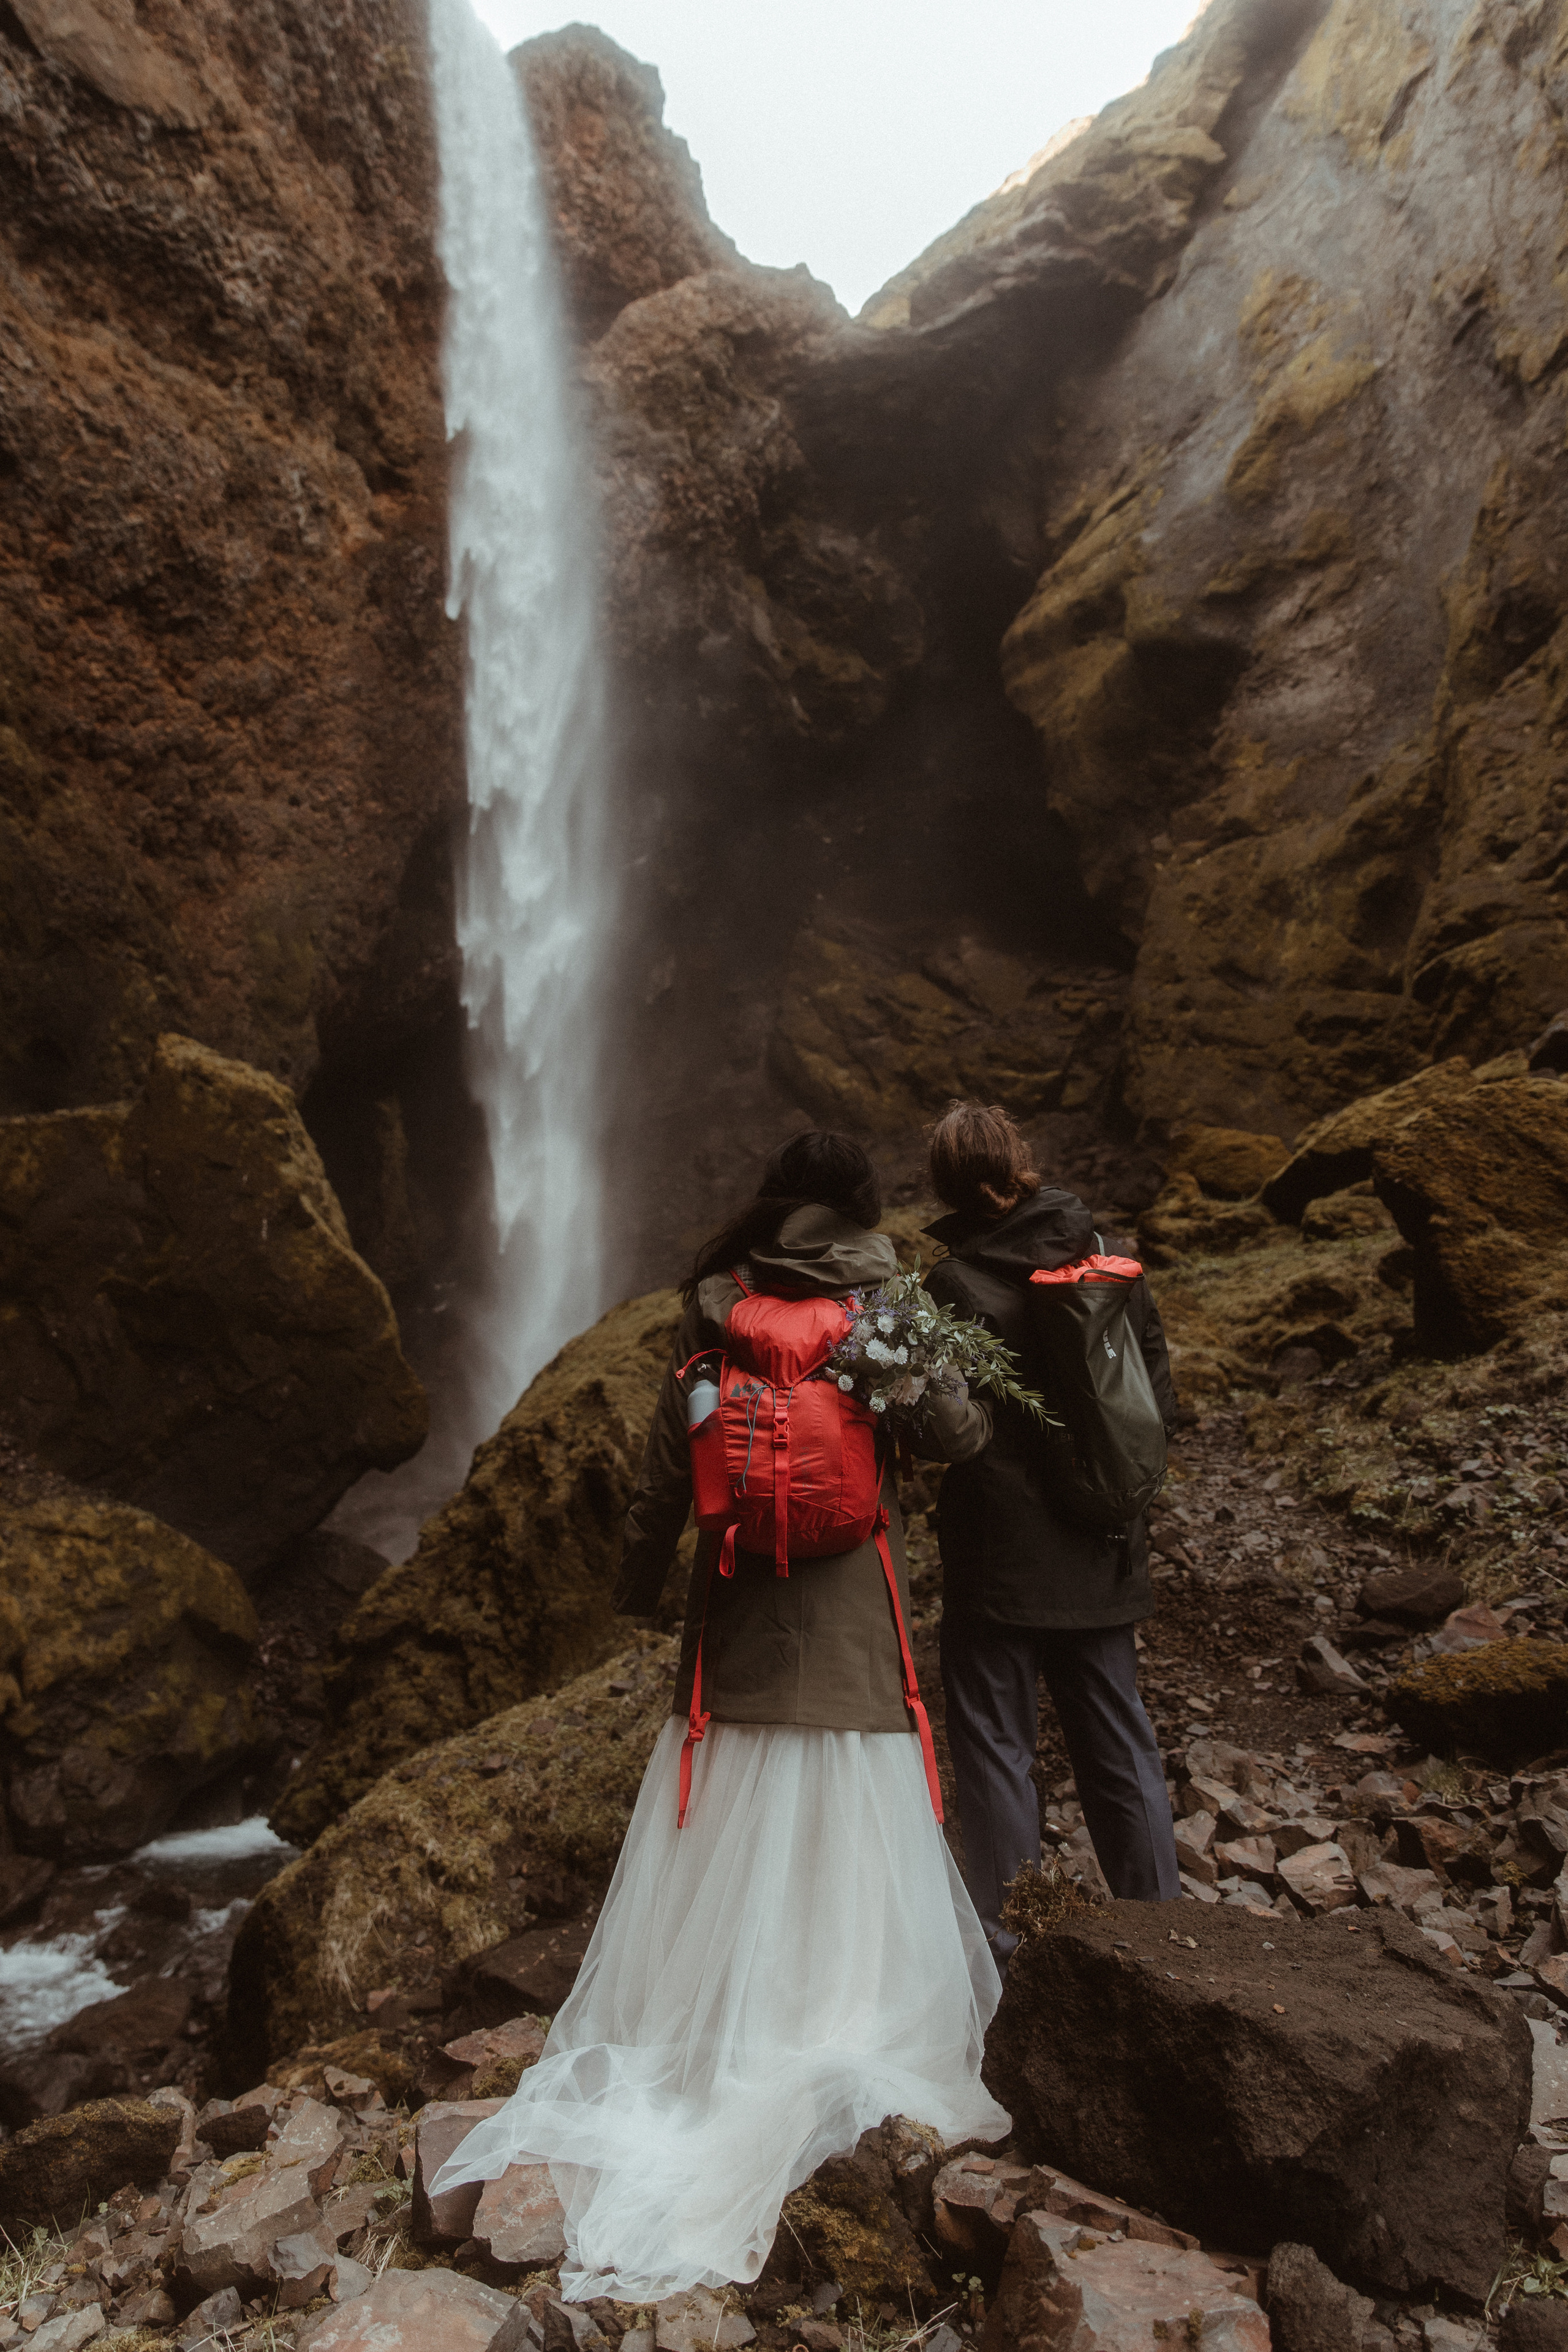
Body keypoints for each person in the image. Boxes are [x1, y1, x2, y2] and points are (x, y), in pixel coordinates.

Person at [432, 1130, 1009, 2301]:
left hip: (737, 1623)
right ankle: (837, 2030)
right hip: (852, 1627)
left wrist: (640, 1594)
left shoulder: (716, 1307)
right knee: (845, 1839)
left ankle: (720, 2046)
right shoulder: (880, 1305)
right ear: (854, 1211)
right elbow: (957, 1434)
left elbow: (662, 1474)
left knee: (732, 1830)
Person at [922, 1100, 1181, 1972]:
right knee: (1119, 1737)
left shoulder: (950, 1285)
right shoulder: (1105, 1257)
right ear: (1021, 1161)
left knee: (997, 1747)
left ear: (946, 1184)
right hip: (1103, 1539)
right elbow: (1155, 1394)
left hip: (1000, 1558)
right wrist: (1114, 1499)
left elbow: (945, 1430)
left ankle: (1007, 1949)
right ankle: (1164, 1934)